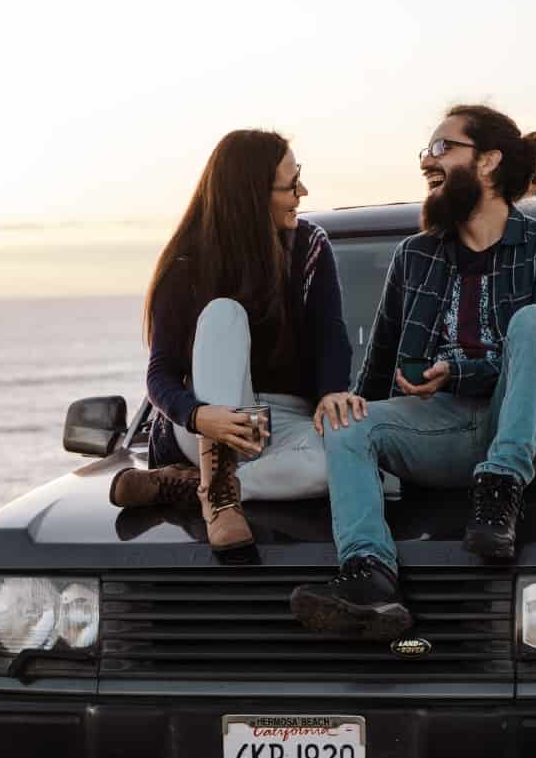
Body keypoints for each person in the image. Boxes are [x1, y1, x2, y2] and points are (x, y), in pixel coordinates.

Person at [290, 104, 536, 637]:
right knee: (349, 422)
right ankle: (369, 577)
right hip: (443, 427)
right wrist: (353, 414)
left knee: (533, 323)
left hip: (533, 434)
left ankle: (500, 492)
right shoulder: (414, 255)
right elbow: (380, 361)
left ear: (488, 162)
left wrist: (458, 371)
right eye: (427, 151)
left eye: (442, 148)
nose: (427, 162)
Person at [111, 129, 356, 560]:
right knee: (224, 313)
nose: (303, 191)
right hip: (205, 427)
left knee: (340, 467)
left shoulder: (310, 247)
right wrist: (199, 414)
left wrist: (332, 393)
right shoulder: (187, 262)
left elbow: (331, 337)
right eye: (291, 181)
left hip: (285, 424)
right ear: (251, 193)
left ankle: (195, 486)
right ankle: (221, 497)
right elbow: (161, 373)